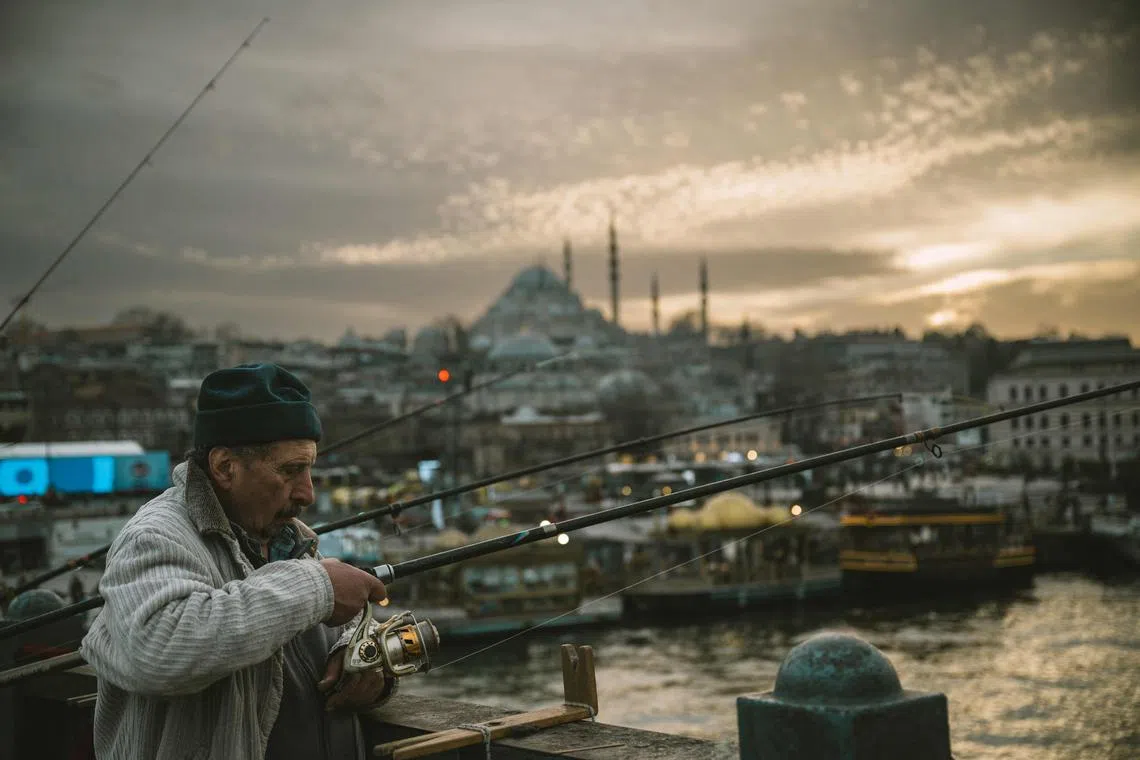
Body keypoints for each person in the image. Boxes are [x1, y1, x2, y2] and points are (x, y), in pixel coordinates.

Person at [81, 363, 392, 760]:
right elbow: (159, 649)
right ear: (225, 467)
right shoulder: (153, 537)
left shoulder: (292, 538)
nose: (307, 493)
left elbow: (335, 629)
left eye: (309, 468)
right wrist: (318, 586)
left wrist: (364, 663)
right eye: (291, 470)